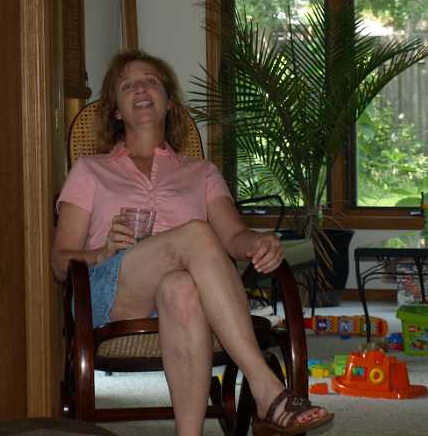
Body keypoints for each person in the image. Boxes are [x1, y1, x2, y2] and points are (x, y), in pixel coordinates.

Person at [52, 50, 333, 436]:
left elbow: (233, 236)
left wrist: (258, 242)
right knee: (197, 233)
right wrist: (101, 252)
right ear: (115, 110)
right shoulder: (90, 170)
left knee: (181, 286)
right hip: (110, 293)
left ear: (169, 102)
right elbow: (60, 262)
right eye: (128, 85)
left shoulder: (201, 172)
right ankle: (266, 386)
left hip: (187, 296)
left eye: (151, 81)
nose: (141, 89)